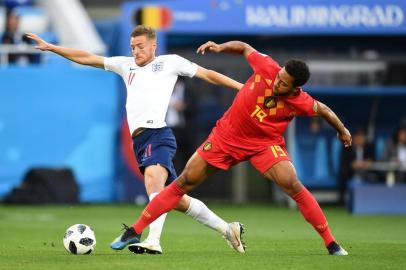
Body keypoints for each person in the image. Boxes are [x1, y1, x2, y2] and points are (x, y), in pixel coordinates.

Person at [118, 40, 353, 256]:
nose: (277, 81)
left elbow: (324, 109)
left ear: (295, 88)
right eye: (279, 75)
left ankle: (331, 243)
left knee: (293, 184)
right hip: (225, 137)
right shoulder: (267, 66)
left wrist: (342, 130)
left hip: (264, 144)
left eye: (283, 82)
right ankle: (136, 230)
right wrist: (221, 47)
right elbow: (244, 47)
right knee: (184, 181)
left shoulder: (300, 101)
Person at [26, 26, 246, 254]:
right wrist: (53, 48)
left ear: (153, 46)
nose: (136, 51)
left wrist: (242, 87)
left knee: (154, 182)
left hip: (158, 134)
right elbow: (87, 57)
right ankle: (228, 229)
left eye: (140, 47)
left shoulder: (171, 62)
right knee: (177, 200)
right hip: (141, 142)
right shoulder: (125, 65)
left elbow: (208, 74)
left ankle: (153, 240)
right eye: (132, 47)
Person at [338, 128, 375, 204]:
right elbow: (344, 162)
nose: (360, 139)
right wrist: (352, 164)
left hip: (366, 172)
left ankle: (372, 200)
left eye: (362, 137)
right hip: (351, 172)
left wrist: (367, 163)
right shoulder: (347, 147)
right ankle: (343, 200)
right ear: (353, 138)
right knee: (343, 174)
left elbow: (373, 160)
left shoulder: (369, 147)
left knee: (374, 177)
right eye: (358, 137)